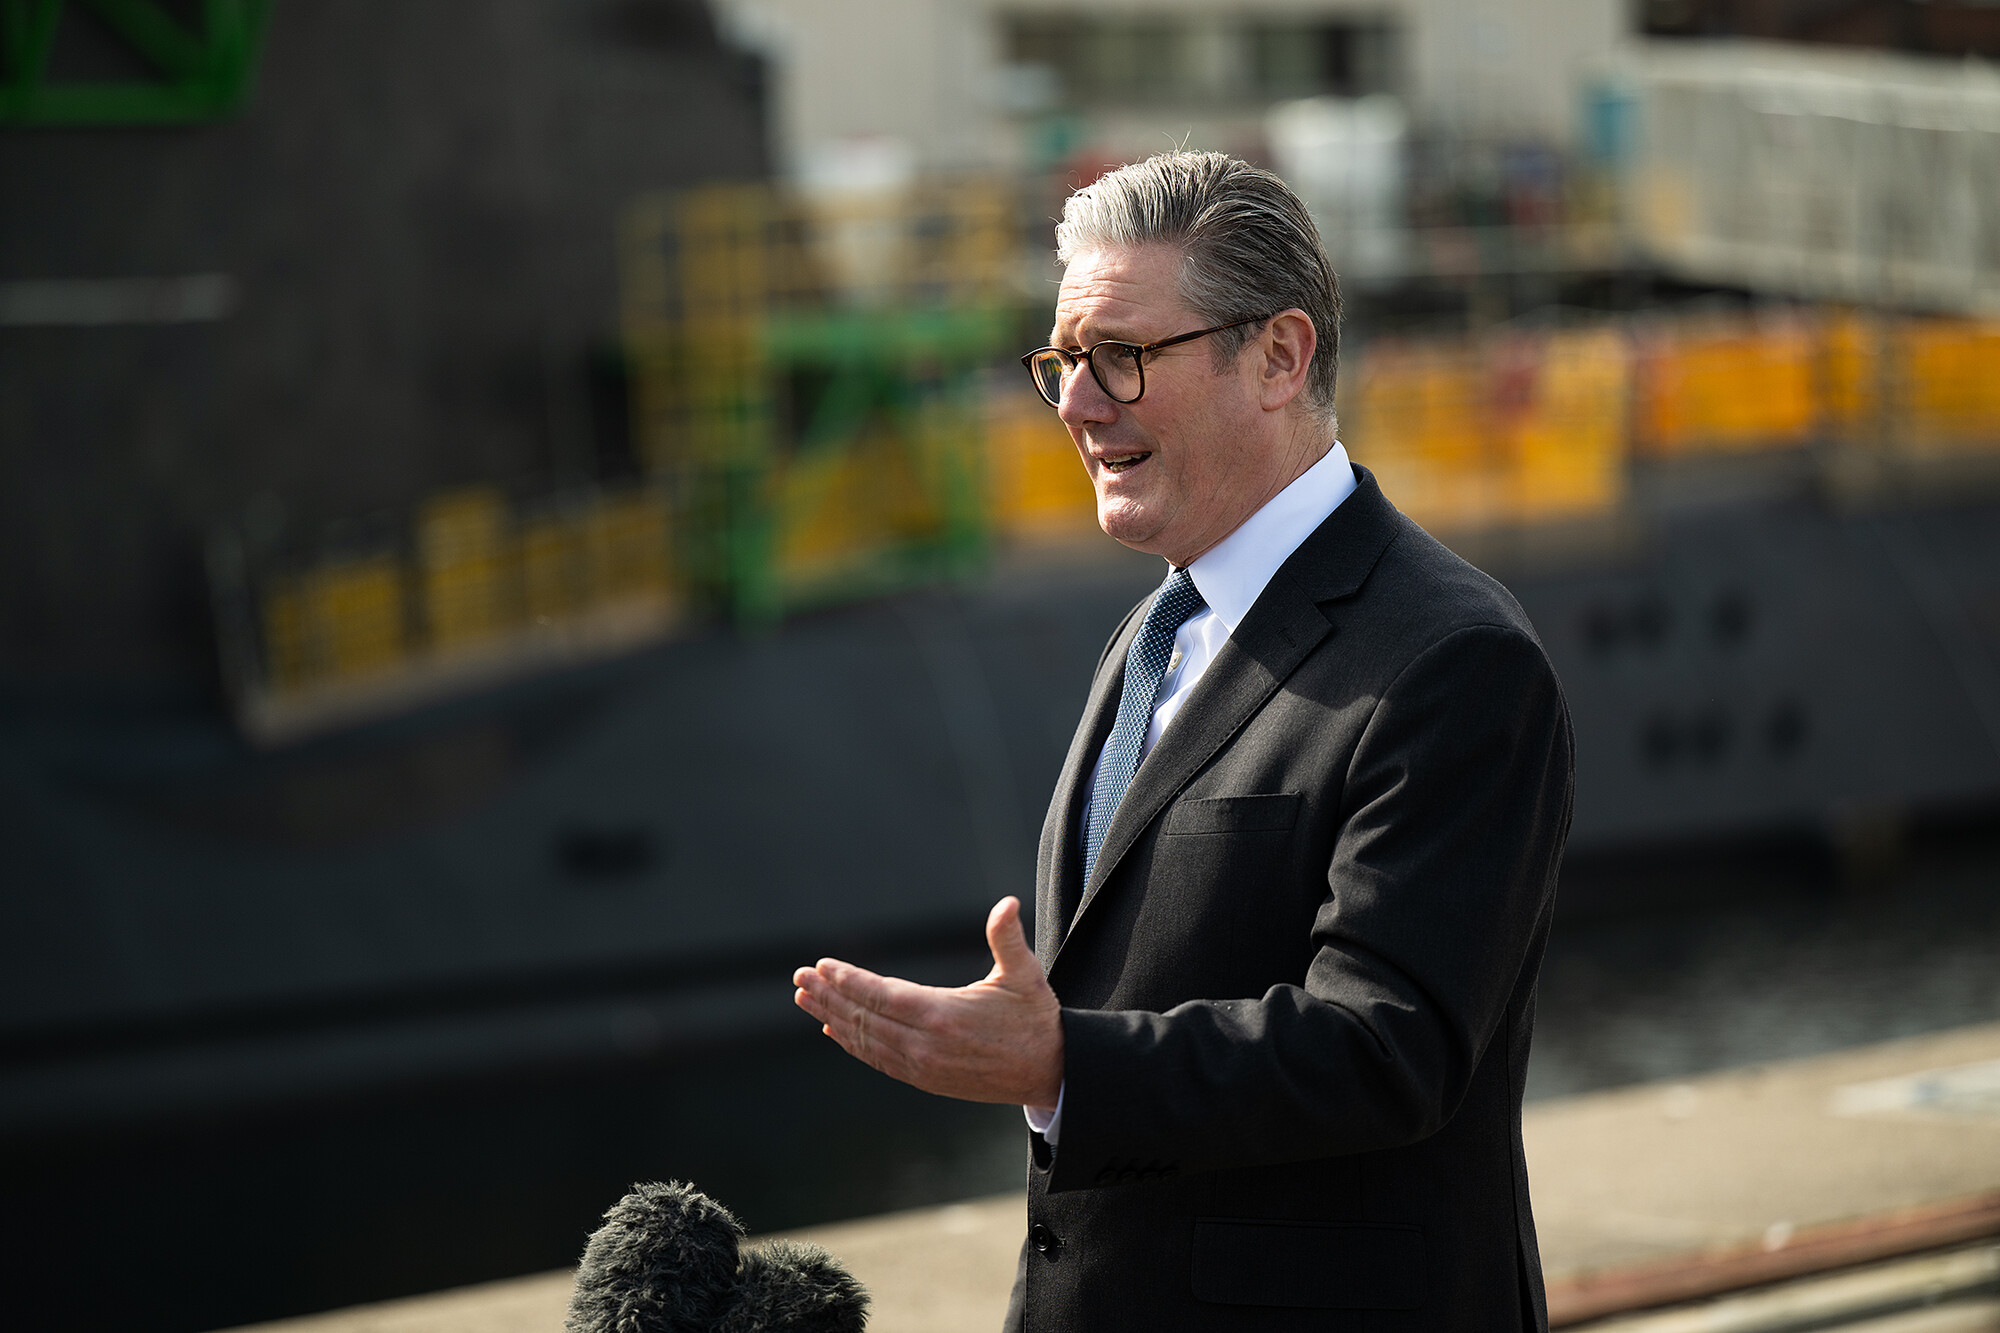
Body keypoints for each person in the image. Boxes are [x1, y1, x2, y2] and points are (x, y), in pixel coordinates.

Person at [793, 151, 1573, 1331]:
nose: (1075, 401)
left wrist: (1062, 1066)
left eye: (1122, 356)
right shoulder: (1154, 632)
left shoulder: (1452, 660)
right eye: (1061, 361)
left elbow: (1384, 1047)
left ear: (1277, 357)